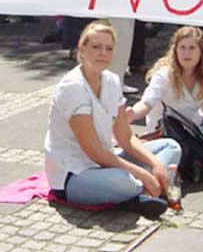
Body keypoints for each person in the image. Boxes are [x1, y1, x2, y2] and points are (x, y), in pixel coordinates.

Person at [44, 21, 181, 218]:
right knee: (123, 180)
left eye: (108, 48)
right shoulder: (72, 87)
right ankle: (147, 188)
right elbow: (94, 152)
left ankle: (144, 191)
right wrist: (142, 173)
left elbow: (125, 136)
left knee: (171, 147)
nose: (103, 53)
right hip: (73, 172)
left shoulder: (112, 80)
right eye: (96, 47)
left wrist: (154, 163)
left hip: (106, 160)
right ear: (82, 49)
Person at [130, 26, 203, 164]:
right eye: (182, 47)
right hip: (169, 131)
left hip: (194, 126)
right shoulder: (164, 75)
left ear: (201, 52)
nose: (186, 53)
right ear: (175, 50)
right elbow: (146, 103)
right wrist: (130, 114)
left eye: (192, 48)